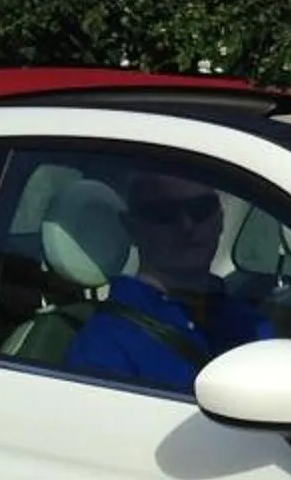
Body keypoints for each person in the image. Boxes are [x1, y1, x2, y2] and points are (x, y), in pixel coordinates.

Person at [62, 167, 272, 389]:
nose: (187, 226)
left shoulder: (249, 320)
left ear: (219, 219)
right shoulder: (104, 345)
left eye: (200, 209)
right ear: (132, 228)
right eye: (163, 214)